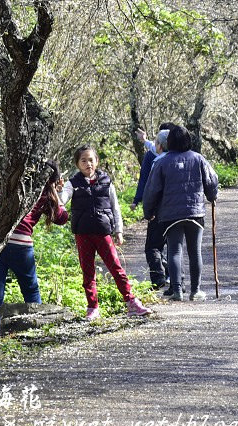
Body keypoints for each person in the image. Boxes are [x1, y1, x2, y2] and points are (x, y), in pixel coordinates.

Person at [61, 145, 151, 320]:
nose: (88, 164)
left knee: (115, 267)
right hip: (83, 233)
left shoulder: (106, 181)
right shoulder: (73, 183)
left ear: (97, 161)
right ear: (77, 164)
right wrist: (56, 192)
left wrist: (119, 230)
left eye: (91, 160)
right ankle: (92, 307)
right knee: (88, 272)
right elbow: (62, 200)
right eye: (83, 160)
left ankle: (131, 301)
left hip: (103, 232)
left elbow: (115, 206)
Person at [0, 161, 68, 331]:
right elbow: (62, 218)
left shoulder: (13, 188)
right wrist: (56, 192)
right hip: (21, 246)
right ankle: (36, 328)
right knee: (30, 290)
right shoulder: (45, 195)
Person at [142, 125, 219, 302]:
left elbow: (151, 190)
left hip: (170, 215)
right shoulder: (198, 159)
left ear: (169, 142)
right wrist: (212, 196)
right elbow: (212, 180)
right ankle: (195, 290)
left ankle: (177, 291)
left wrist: (149, 212)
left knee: (174, 251)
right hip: (195, 212)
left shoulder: (162, 162)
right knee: (194, 251)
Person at [133, 124, 175, 292]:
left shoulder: (158, 162)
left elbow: (151, 189)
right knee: (174, 247)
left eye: (156, 143)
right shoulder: (182, 158)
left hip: (159, 212)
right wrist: (145, 141)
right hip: (178, 212)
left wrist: (148, 211)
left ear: (160, 145)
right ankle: (177, 281)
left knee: (152, 247)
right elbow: (155, 147)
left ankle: (158, 279)